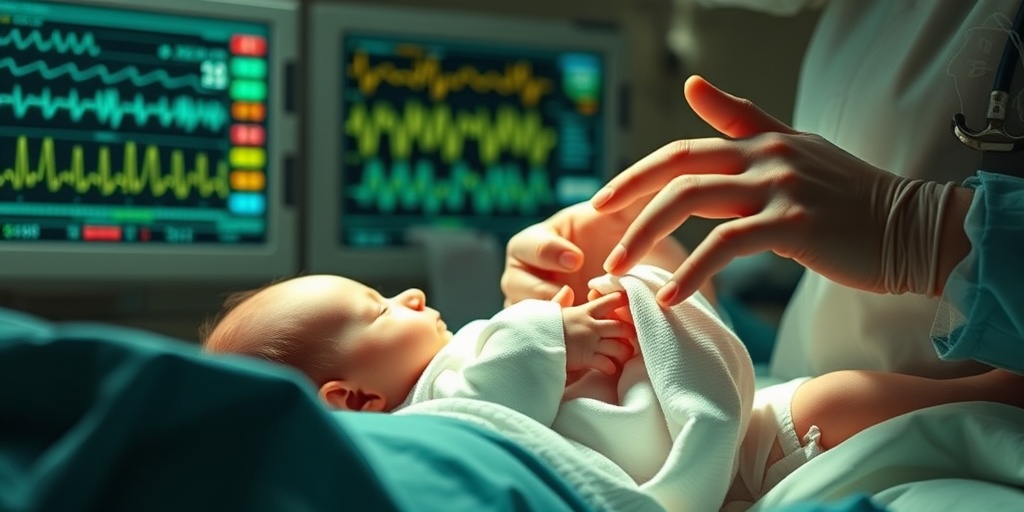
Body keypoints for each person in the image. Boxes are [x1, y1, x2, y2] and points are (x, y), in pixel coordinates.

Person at [200, 268, 1024, 511]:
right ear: (354, 401)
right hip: (720, 455)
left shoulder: (448, 379)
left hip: (719, 454)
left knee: (837, 400)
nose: (410, 296)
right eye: (377, 308)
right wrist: (557, 333)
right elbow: (502, 371)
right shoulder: (444, 401)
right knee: (843, 401)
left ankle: (986, 387)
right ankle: (995, 388)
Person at [505, 0, 1024, 381]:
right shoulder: (858, 19)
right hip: (801, 422)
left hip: (953, 456)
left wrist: (928, 236)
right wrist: (653, 285)